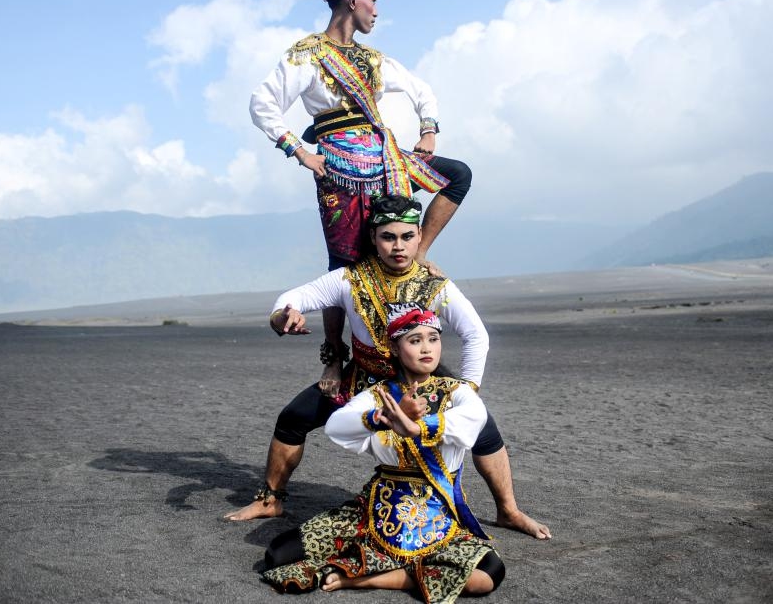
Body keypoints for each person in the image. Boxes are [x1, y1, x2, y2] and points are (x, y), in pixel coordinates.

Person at [224, 195, 550, 541]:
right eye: (388, 237)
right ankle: (270, 500)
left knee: (485, 429)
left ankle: (508, 510)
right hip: (364, 378)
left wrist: (465, 391)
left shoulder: (436, 285)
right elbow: (294, 298)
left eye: (407, 237)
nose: (398, 246)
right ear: (373, 238)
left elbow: (476, 335)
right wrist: (284, 315)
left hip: (422, 381)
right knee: (293, 418)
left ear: (419, 237)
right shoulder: (349, 279)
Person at [249, 0, 473, 397]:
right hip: (339, 169)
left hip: (387, 157)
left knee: (458, 175)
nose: (376, 11)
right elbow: (262, 103)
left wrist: (428, 128)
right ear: (353, 0)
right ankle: (335, 352)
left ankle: (419, 256)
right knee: (346, 263)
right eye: (373, 1)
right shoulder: (307, 55)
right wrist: (299, 151)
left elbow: (421, 90)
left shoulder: (373, 60)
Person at [260, 302, 505, 603]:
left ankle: (366, 579)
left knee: (488, 575)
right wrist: (383, 418)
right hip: (375, 513)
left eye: (433, 338)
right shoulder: (380, 395)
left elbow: (475, 418)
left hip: (437, 518)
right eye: (415, 340)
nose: (427, 348)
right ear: (395, 347)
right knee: (277, 555)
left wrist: (417, 427)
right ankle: (386, 570)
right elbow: (337, 424)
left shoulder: (456, 392)